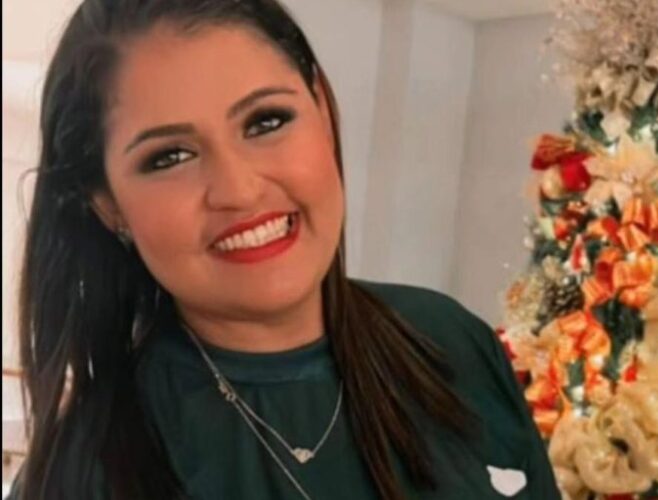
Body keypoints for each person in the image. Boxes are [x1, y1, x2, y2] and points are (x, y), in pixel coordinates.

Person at [7, 0, 560, 498]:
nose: (240, 191)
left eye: (266, 121)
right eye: (170, 156)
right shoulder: (81, 472)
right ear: (108, 205)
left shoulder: (452, 343)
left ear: (322, 108)